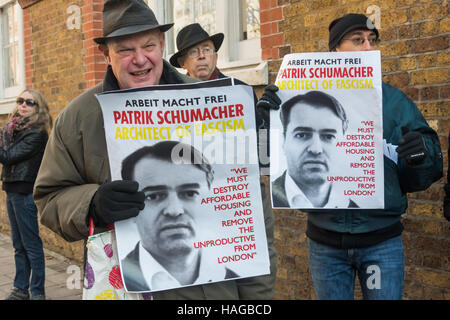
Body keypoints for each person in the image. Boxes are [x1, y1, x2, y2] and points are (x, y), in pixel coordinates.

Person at [34, 0, 275, 300]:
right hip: (128, 289)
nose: (139, 59)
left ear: (161, 44)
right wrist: (91, 202)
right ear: (105, 54)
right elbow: (49, 198)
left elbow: (252, 209)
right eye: (124, 50)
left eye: (148, 45)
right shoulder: (78, 119)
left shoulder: (212, 106)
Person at [257, 13, 442, 299]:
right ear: (335, 52)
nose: (368, 48)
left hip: (382, 241)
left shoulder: (393, 102)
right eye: (358, 40)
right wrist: (264, 124)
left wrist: (422, 155)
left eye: (372, 40)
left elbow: (418, 175)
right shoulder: (297, 96)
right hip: (325, 243)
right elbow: (262, 160)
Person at [120, 141, 239, 291]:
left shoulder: (240, 284)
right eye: (154, 196)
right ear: (131, 209)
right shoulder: (108, 280)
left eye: (190, 193)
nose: (174, 210)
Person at [1, 89, 53, 300]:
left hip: (24, 193)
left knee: (31, 245)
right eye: (20, 100)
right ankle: (20, 289)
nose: (23, 105)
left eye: (29, 102)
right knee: (18, 245)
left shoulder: (37, 133)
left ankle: (37, 292)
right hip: (11, 190)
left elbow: (8, 156)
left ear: (37, 107)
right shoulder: (12, 130)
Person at [272, 91, 358, 209]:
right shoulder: (261, 200)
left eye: (328, 136)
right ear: (283, 141)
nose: (316, 149)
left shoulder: (356, 211)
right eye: (302, 135)